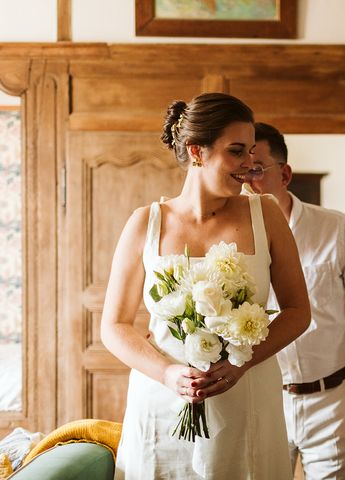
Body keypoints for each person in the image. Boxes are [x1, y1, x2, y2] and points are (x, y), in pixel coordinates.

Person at [101, 94, 311, 479]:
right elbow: (113, 326)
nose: (251, 163)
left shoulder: (265, 214)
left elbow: (298, 311)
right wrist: (167, 374)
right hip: (163, 404)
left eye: (251, 151)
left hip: (245, 397)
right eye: (236, 151)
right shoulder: (145, 222)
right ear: (197, 151)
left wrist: (238, 364)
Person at [248, 122, 345, 479]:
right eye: (238, 171)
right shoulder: (230, 241)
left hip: (333, 401)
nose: (245, 183)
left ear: (284, 175)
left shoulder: (337, 229)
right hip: (262, 401)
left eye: (255, 170)